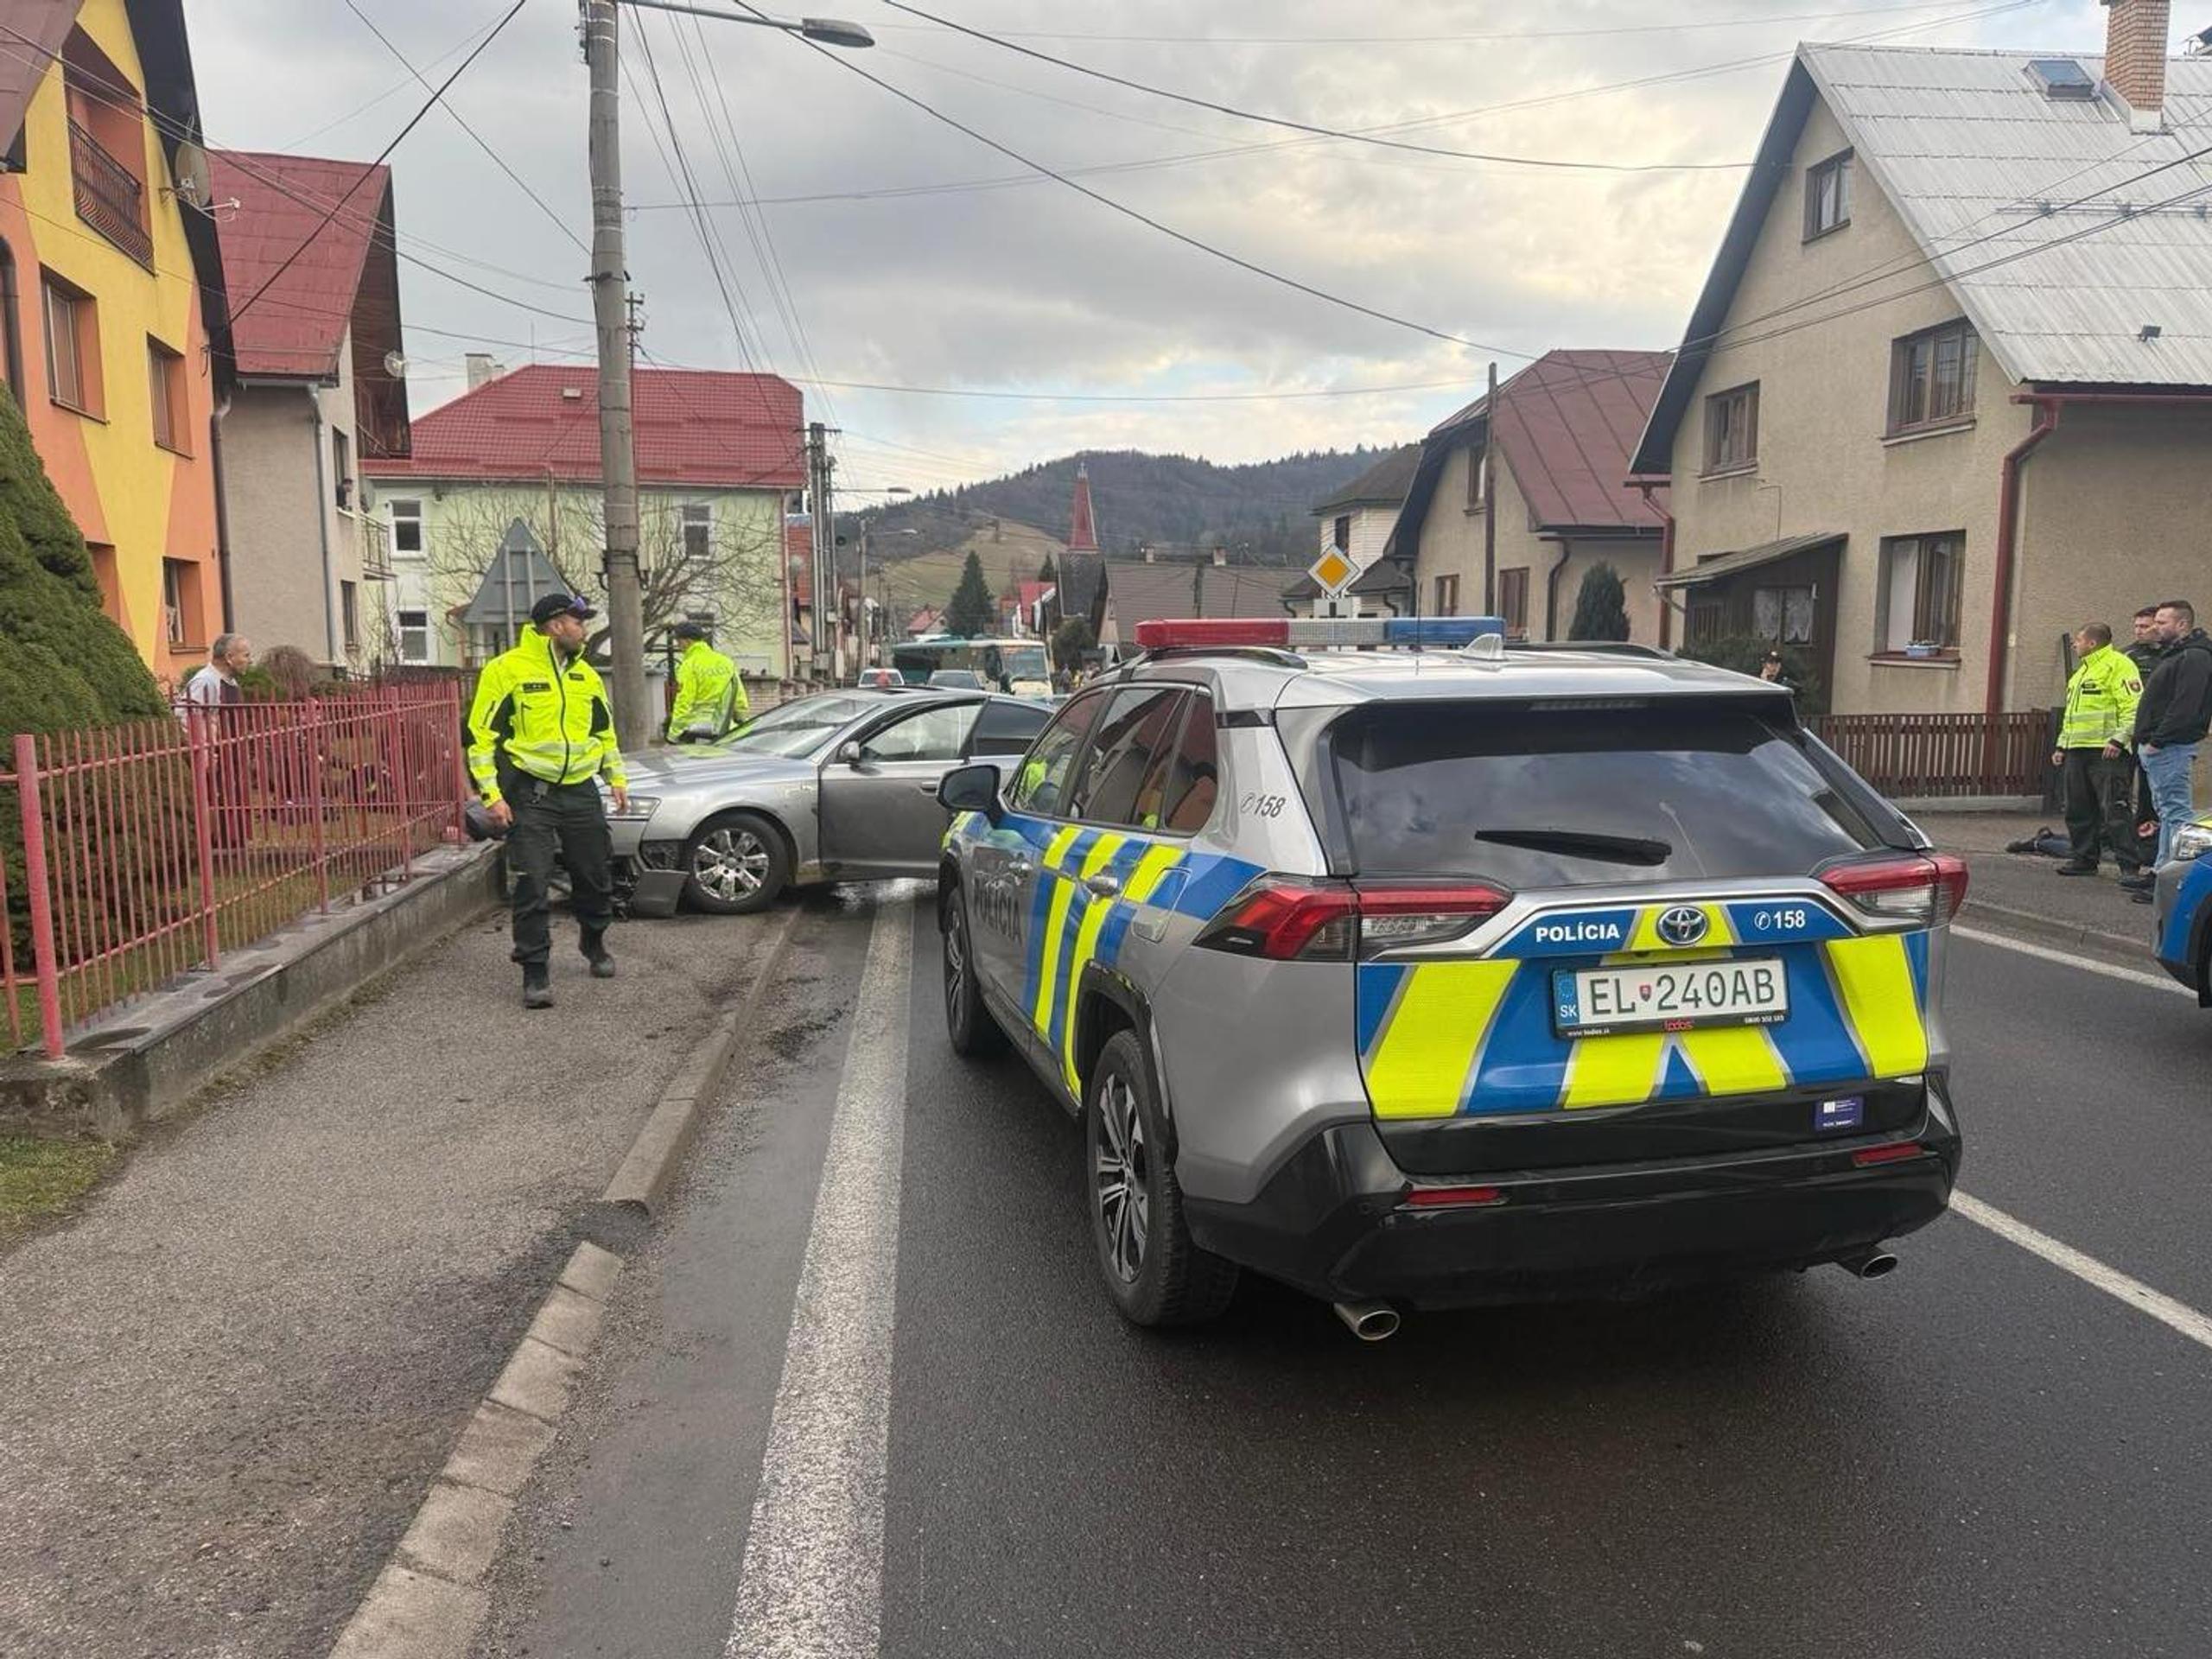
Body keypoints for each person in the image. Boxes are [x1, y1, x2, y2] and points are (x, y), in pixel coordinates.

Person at [467, 593, 629, 1008]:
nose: (584, 630)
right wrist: (491, 795)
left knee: (594, 876)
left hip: (581, 790)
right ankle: (535, 970)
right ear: (557, 625)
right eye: (579, 622)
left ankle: (593, 939)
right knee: (532, 883)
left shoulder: (586, 676)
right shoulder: (506, 670)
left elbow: (603, 733)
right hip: (531, 793)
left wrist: (616, 777)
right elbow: (481, 737)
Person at [2124, 598, 2212, 901]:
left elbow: (2185, 705)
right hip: (2161, 745)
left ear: (2182, 624)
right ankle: (2161, 873)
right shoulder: (2177, 654)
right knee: (2167, 812)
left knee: (2176, 813)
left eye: (2162, 623)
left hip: (2170, 746)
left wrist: (2157, 740)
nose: (2155, 628)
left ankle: (2173, 881)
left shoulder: (2194, 657)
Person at [2050, 622, 2142, 878]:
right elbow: (2072, 716)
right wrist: (2062, 745)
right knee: (2077, 808)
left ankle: (2129, 865)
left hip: (2107, 751)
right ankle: (2084, 859)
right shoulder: (2081, 673)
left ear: (2092, 643)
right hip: (2077, 750)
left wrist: (2119, 740)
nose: (2074, 645)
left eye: (2078, 640)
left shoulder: (2119, 665)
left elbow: (2133, 707)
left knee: (2114, 808)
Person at [665, 620, 746, 743]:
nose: (678, 645)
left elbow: (684, 702)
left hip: (698, 732)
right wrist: (741, 720)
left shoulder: (689, 665)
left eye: (679, 641)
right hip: (725, 728)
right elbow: (739, 696)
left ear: (687, 641)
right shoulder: (726, 662)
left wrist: (673, 734)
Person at [181, 632, 251, 711]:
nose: (250, 661)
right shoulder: (205, 681)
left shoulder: (230, 681)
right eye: (246, 656)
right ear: (229, 657)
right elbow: (183, 713)